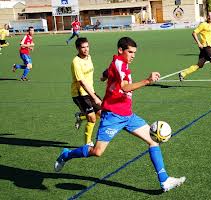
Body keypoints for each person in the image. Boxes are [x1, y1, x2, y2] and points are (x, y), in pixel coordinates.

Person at [54, 37, 186, 192]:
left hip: (128, 115)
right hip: (112, 116)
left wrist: (104, 76)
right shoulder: (119, 64)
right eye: (130, 52)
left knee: (153, 140)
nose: (133, 55)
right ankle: (66, 154)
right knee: (97, 152)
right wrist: (147, 81)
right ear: (120, 50)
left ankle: (164, 181)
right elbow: (124, 87)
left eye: (134, 52)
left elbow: (108, 71)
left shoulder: (118, 62)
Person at [178, 12, 211, 88]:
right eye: (209, 15)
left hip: (205, 49)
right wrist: (199, 43)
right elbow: (194, 33)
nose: (210, 17)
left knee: (199, 65)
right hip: (206, 48)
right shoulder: (203, 24)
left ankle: (183, 73)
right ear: (206, 17)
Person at [71, 37, 102, 146]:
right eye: (83, 47)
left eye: (87, 47)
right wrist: (95, 98)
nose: (86, 49)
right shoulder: (76, 62)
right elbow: (82, 83)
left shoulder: (89, 57)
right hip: (80, 94)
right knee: (92, 118)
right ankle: (87, 143)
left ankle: (81, 116)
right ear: (77, 48)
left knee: (102, 113)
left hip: (90, 91)